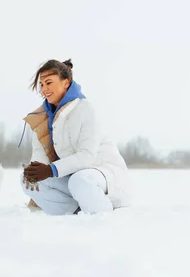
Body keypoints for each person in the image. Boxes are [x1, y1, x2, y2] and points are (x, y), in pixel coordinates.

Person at [21, 59, 131, 215]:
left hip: (102, 174)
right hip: (74, 178)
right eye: (42, 85)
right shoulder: (42, 118)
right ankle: (71, 215)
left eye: (49, 83)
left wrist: (50, 170)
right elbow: (41, 159)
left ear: (66, 83)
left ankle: (102, 216)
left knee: (80, 180)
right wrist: (35, 173)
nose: (44, 89)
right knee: (27, 181)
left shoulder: (85, 109)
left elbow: (87, 156)